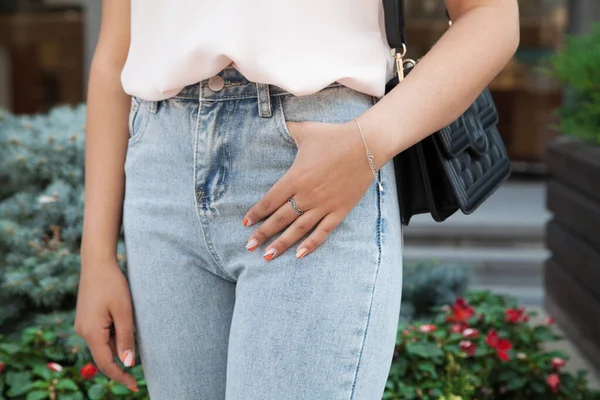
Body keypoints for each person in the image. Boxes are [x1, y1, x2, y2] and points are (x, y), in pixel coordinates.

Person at [75, 0, 520, 398]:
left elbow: (491, 15)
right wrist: (95, 257)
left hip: (318, 156)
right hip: (160, 170)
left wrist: (370, 140)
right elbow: (115, 52)